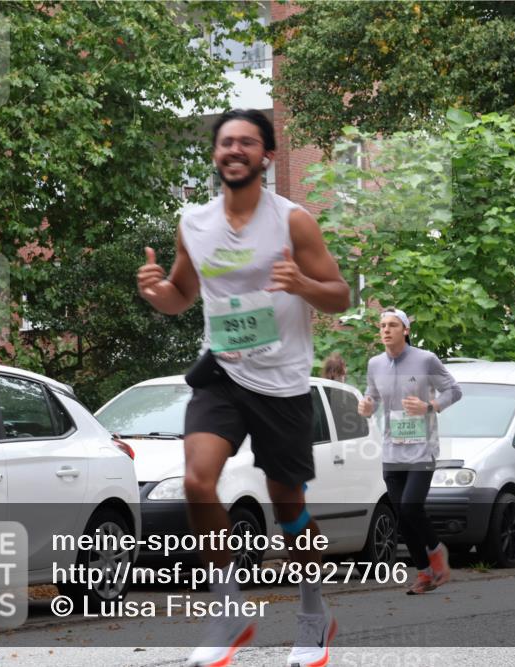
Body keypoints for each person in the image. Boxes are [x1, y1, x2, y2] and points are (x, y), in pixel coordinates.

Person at [137, 108, 350, 667]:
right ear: (215, 154)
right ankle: (229, 608)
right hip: (223, 374)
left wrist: (302, 283)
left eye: (247, 143)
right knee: (196, 480)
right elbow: (180, 296)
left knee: (288, 505)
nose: (235, 150)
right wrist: (158, 293)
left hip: (281, 383)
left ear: (266, 156)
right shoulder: (194, 224)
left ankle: (313, 612)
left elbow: (340, 295)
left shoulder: (293, 221)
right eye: (226, 142)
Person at [357, 308, 463, 594]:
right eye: (382, 326)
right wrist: (367, 406)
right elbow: (373, 397)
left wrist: (429, 407)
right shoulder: (375, 364)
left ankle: (437, 551)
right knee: (402, 517)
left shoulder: (425, 360)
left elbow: (454, 390)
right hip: (392, 451)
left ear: (405, 330)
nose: (386, 330)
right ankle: (425, 573)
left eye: (392, 325)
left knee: (410, 505)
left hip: (421, 449)